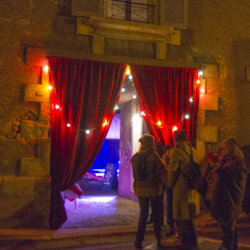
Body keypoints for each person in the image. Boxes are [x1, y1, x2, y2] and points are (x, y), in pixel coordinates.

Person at [209, 139, 247, 250]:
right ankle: (230, 244)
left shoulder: (238, 162)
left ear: (231, 149)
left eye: (224, 147)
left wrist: (217, 166)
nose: (222, 149)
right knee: (228, 222)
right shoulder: (225, 161)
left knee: (229, 221)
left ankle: (228, 245)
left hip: (232, 196)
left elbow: (227, 173)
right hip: (224, 196)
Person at [131, 134, 166, 249]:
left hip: (140, 189)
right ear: (151, 143)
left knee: (143, 215)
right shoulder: (154, 155)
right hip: (153, 189)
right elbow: (163, 169)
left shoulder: (136, 156)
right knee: (156, 214)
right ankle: (158, 239)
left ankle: (138, 240)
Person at [167, 130, 200, 250]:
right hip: (191, 186)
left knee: (182, 215)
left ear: (176, 138)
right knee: (189, 215)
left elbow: (173, 169)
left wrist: (169, 184)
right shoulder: (192, 150)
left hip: (181, 186)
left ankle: (186, 242)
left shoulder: (177, 151)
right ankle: (193, 241)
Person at [162, 144, 176, 236]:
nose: (171, 152)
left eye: (172, 150)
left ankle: (174, 225)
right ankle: (170, 225)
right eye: (169, 150)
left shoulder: (174, 159)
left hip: (173, 184)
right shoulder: (164, 160)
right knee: (170, 205)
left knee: (173, 205)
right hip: (168, 184)